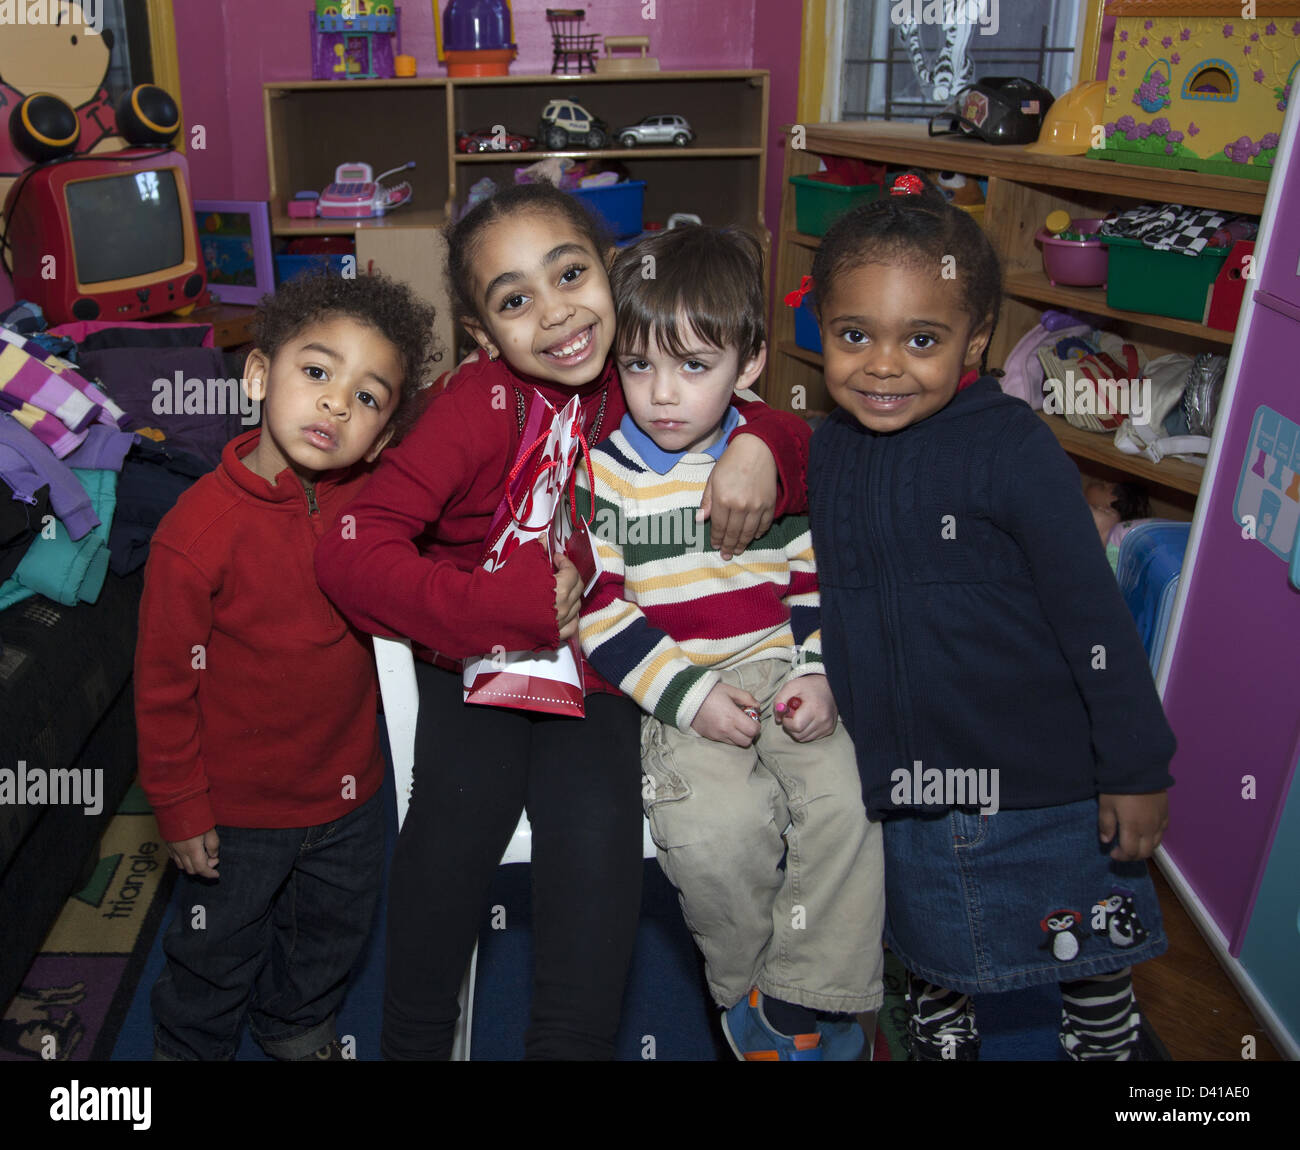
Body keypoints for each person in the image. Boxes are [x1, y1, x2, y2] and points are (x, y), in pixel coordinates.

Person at [313, 183, 811, 1060]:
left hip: (607, 658)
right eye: (514, 301)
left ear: (613, 275)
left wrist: (763, 444)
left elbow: (767, 413)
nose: (555, 315)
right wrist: (490, 609)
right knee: (452, 830)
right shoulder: (477, 406)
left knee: (596, 845)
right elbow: (350, 546)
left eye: (570, 274)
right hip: (473, 656)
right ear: (481, 334)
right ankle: (412, 1044)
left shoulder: (642, 382)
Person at [805, 176, 1176, 1062]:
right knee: (934, 959)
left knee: (1088, 963)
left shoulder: (1013, 447)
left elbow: (1095, 620)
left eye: (921, 340)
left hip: (1044, 787)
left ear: (975, 343)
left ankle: (1106, 1046)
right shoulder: (827, 446)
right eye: (854, 336)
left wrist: (1137, 768)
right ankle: (941, 1033)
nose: (883, 364)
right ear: (819, 329)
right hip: (912, 792)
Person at [579, 226, 884, 1062]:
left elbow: (812, 579)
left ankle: (798, 996)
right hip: (672, 688)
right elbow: (599, 610)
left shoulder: (766, 461)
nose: (662, 395)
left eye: (693, 367)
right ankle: (749, 990)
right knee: (717, 829)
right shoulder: (602, 475)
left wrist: (819, 675)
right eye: (639, 366)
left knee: (848, 800)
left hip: (783, 663)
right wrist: (692, 697)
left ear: (748, 365)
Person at [135, 271, 438, 1060]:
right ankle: (188, 1046)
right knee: (213, 950)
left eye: (369, 397)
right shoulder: (195, 532)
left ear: (385, 434)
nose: (338, 403)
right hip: (235, 811)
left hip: (348, 792)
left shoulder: (378, 507)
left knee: (331, 932)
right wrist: (180, 805)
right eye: (317, 373)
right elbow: (163, 688)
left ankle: (296, 1020)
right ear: (261, 376)